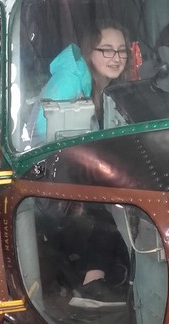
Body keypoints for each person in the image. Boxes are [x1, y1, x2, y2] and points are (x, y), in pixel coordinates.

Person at [37, 22, 133, 307]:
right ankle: (92, 283)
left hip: (80, 173)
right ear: (90, 52)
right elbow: (43, 133)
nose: (116, 58)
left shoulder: (105, 88)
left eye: (122, 51)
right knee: (113, 207)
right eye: (107, 50)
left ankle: (108, 275)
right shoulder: (70, 80)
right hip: (52, 180)